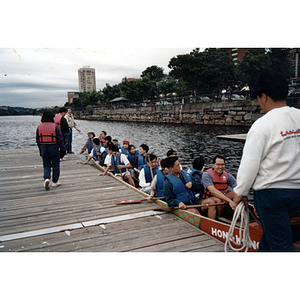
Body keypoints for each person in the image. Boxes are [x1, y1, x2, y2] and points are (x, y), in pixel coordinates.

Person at [233, 70, 300, 251]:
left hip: (272, 195)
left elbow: (250, 164)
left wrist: (240, 192)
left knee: (281, 246)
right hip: (297, 193)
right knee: (270, 240)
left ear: (263, 96)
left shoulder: (261, 125)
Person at [36, 111, 66, 190]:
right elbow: (60, 139)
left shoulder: (39, 127)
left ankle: (47, 178)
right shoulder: (55, 127)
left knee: (46, 165)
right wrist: (63, 150)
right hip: (53, 148)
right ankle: (55, 181)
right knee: (55, 165)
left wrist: (40, 150)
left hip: (43, 148)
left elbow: (37, 140)